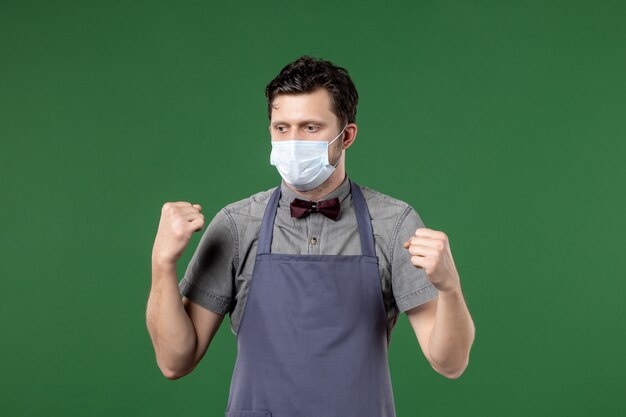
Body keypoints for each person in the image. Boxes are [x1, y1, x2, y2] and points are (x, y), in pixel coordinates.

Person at [146, 55, 475, 417]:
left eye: (311, 128)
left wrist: (450, 288)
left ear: (346, 135)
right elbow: (175, 362)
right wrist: (162, 265)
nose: (293, 141)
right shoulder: (237, 225)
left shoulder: (394, 224)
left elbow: (450, 363)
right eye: (282, 128)